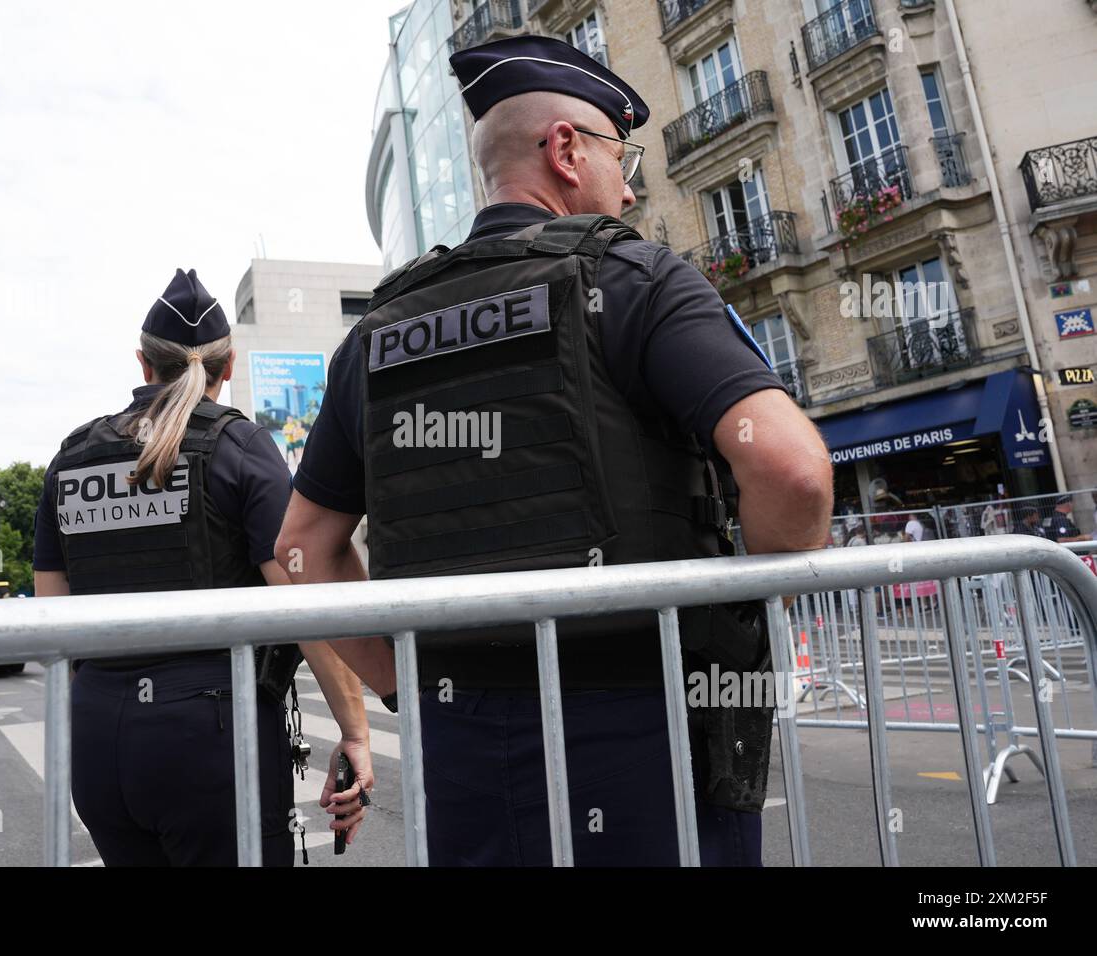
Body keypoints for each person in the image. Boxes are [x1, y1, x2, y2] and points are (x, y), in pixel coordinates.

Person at [274, 35, 833, 866]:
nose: (631, 184)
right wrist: (756, 580)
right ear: (568, 149)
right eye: (622, 155)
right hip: (643, 723)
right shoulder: (638, 279)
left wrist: (401, 684)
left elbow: (298, 551)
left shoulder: (376, 334)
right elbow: (791, 468)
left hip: (459, 739)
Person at [32, 268, 373, 866]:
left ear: (143, 364)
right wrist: (355, 731)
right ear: (229, 365)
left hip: (98, 736)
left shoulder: (73, 457)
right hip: (212, 735)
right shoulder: (238, 445)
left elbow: (56, 620)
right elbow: (304, 602)